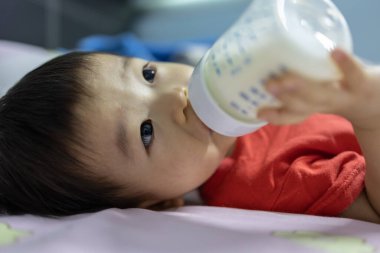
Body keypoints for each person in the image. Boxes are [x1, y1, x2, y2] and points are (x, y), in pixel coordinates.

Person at [0, 48, 379, 223]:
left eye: (148, 74)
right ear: (158, 205)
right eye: (145, 132)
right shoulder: (267, 183)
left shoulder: (246, 83)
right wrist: (368, 113)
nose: (173, 96)